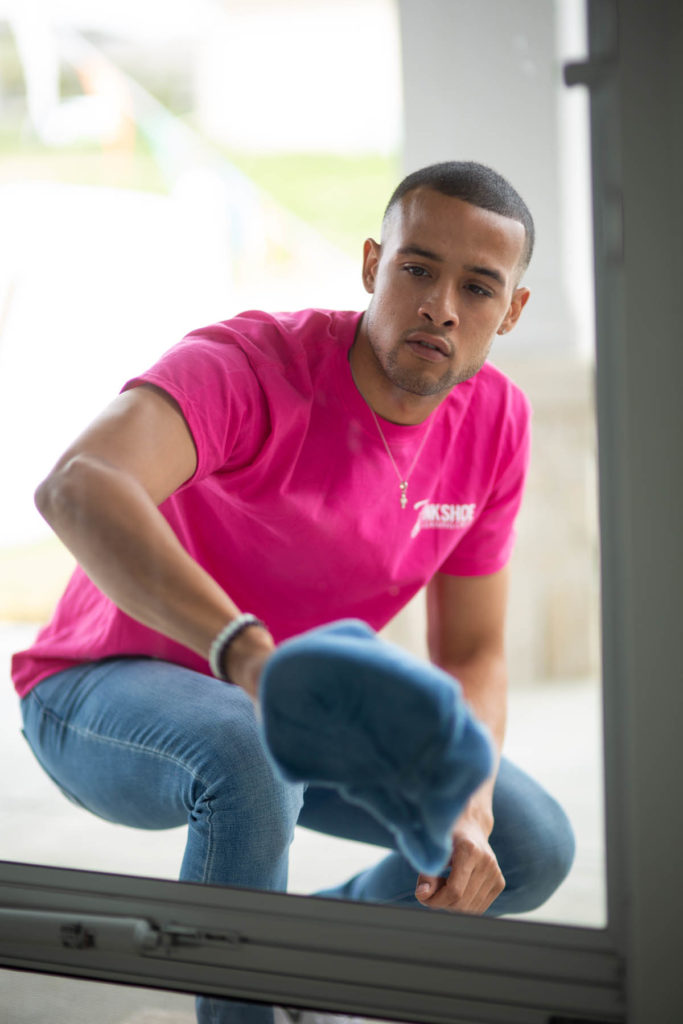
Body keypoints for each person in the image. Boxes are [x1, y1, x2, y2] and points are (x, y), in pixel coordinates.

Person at [12, 161, 575, 1024]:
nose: (440, 307)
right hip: (97, 688)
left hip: (294, 708)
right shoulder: (249, 364)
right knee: (250, 751)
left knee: (525, 842)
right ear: (369, 266)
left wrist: (467, 803)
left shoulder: (495, 419)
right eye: (416, 269)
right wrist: (247, 655)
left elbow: (472, 651)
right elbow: (77, 484)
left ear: (514, 310)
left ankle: (286, 971)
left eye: (477, 286)